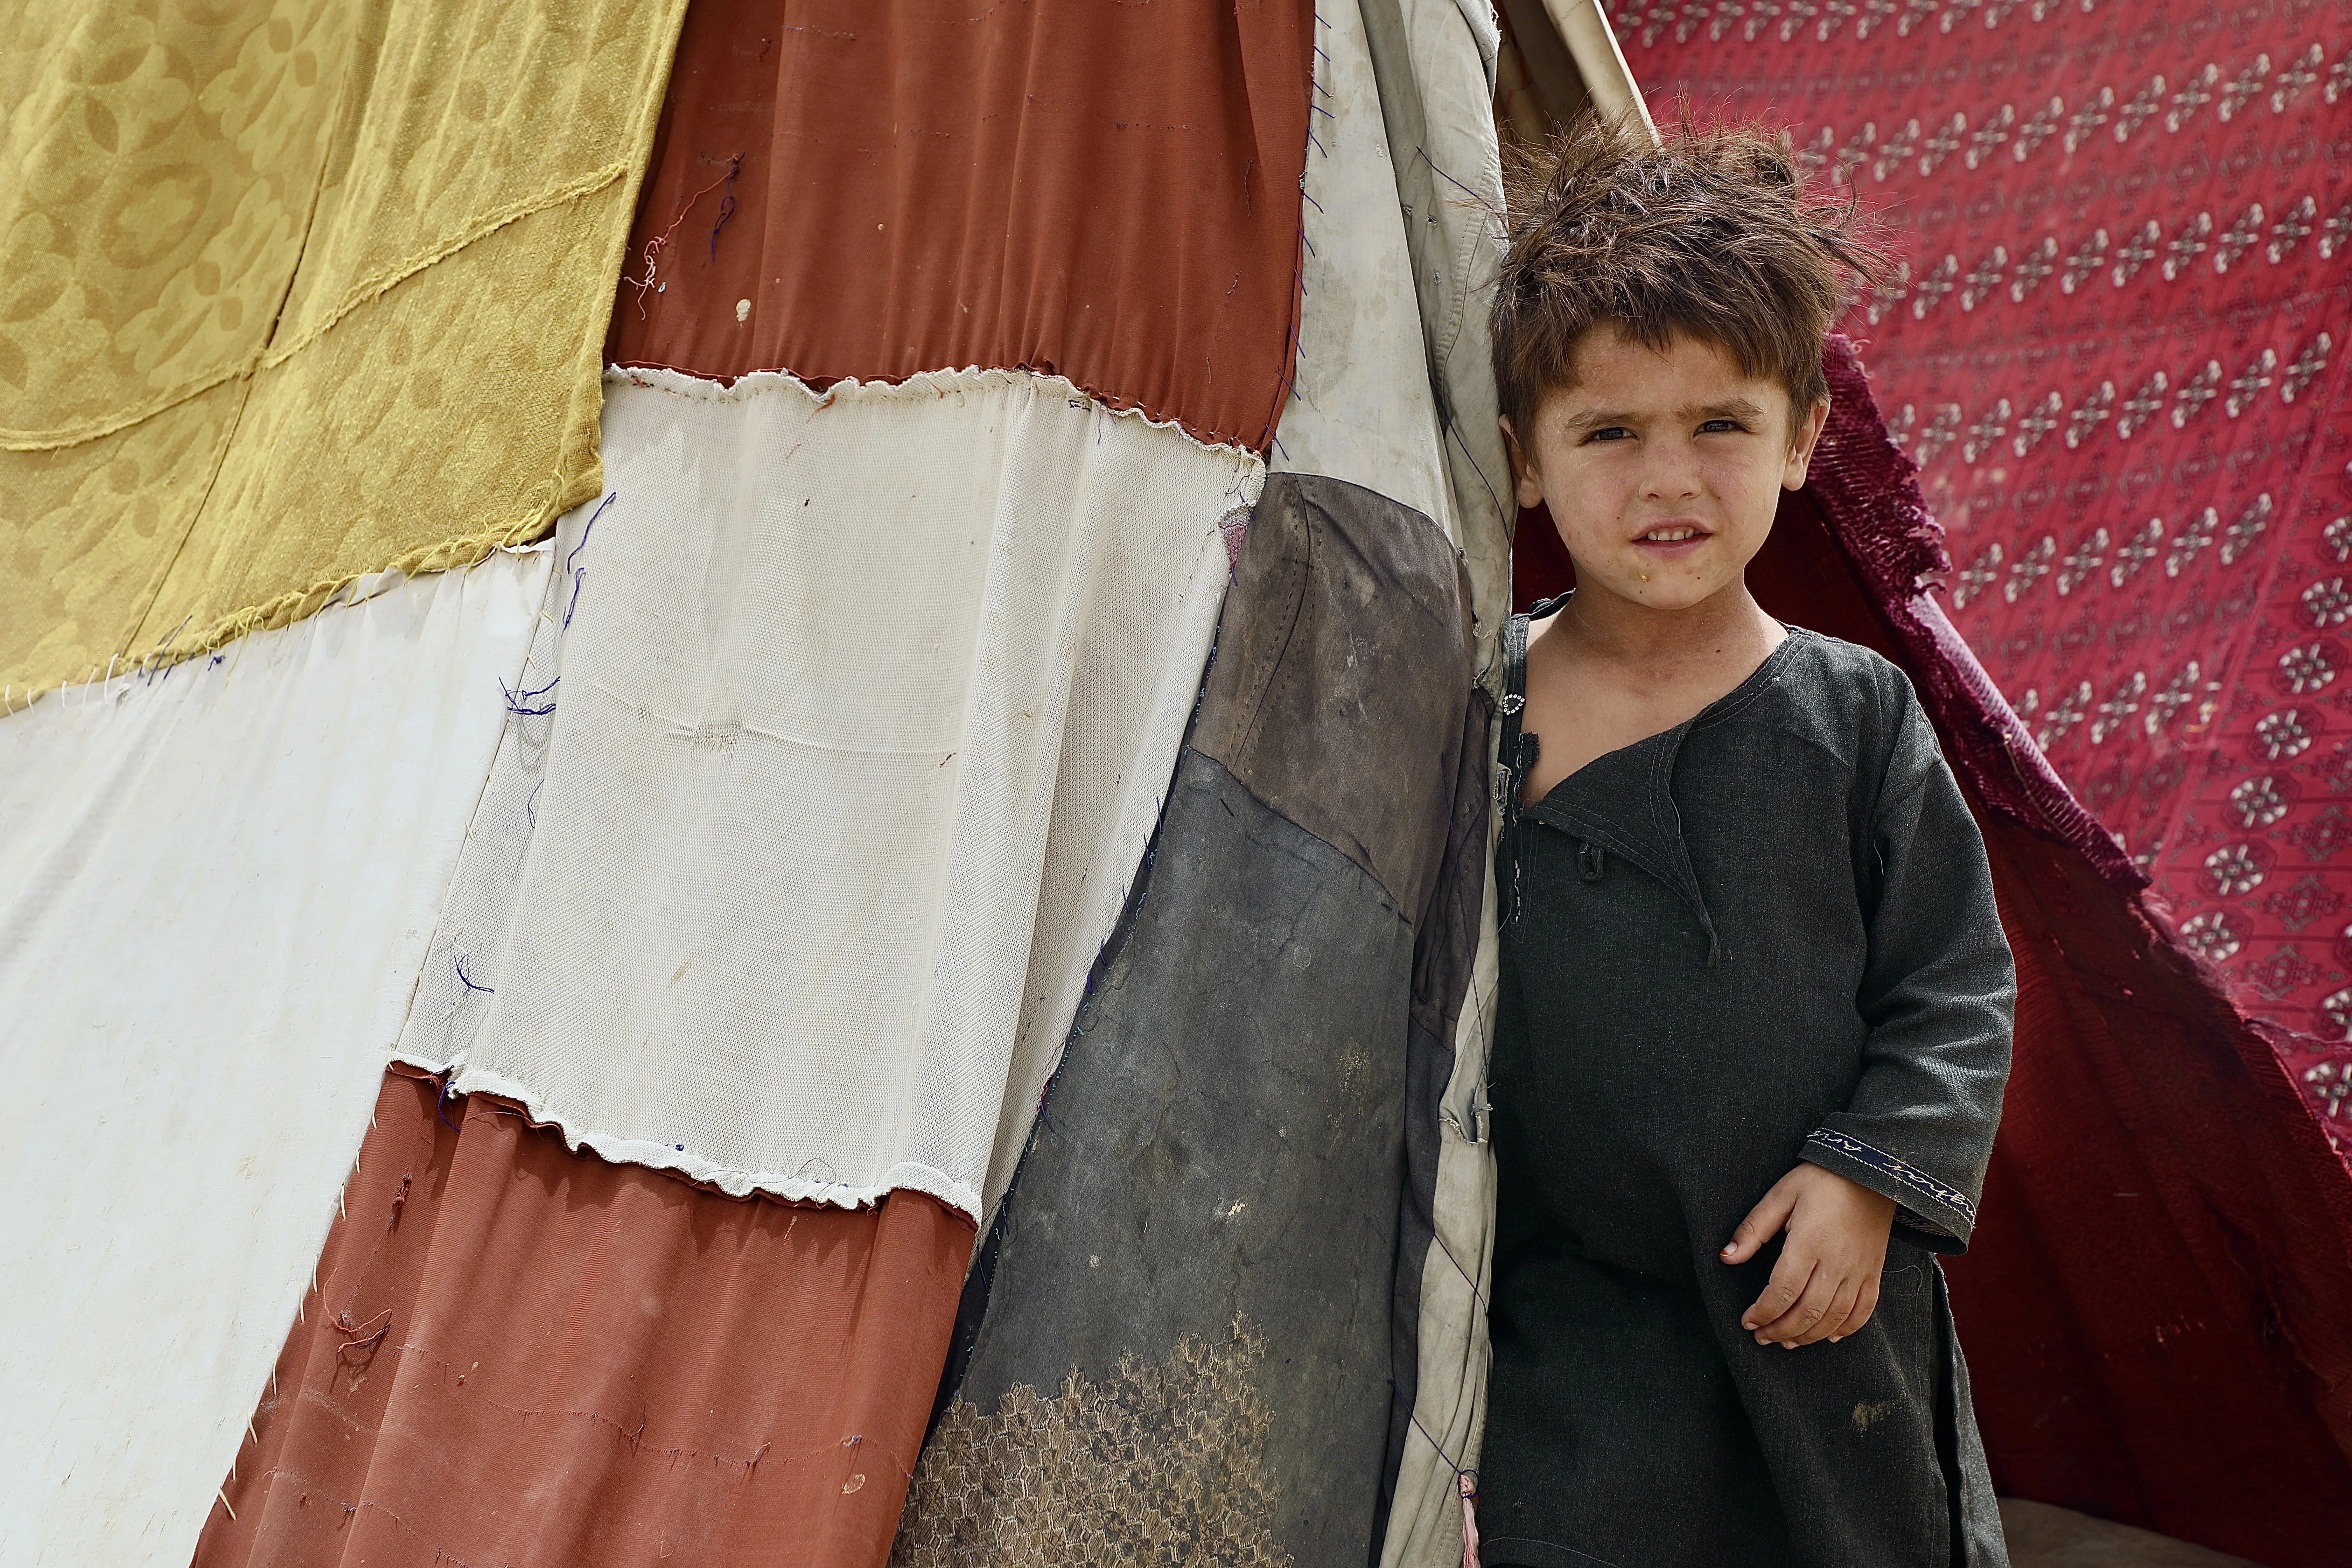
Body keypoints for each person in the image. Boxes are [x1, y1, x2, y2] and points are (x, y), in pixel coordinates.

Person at [1474, 118, 2017, 1568]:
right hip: (1570, 1308)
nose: (1671, 480)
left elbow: (1954, 986)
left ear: (1803, 438)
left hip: (1815, 1298)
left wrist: (1868, 1176)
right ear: (1525, 459)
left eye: (1720, 424)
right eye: (1610, 432)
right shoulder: (1475, 708)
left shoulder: (1854, 720)